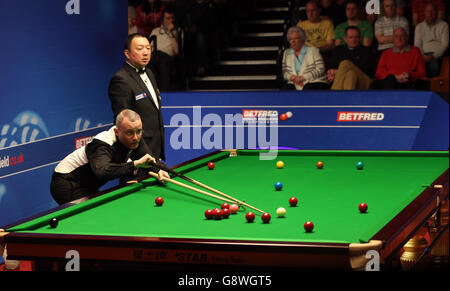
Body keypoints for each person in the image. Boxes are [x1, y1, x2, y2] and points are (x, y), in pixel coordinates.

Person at [50, 110, 169, 205]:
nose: (135, 137)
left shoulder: (134, 139)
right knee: (91, 218)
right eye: (129, 133)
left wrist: (159, 170)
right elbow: (102, 172)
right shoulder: (102, 145)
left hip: (89, 184)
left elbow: (150, 160)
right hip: (67, 182)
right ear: (117, 131)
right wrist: (135, 164)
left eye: (139, 131)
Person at [108, 33, 166, 162]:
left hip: (155, 146)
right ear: (127, 53)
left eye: (148, 48)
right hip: (137, 152)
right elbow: (125, 124)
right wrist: (141, 154)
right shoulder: (121, 79)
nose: (145, 52)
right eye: (140, 49)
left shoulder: (150, 73)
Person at [414, 2, 449, 77]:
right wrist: (422, 57)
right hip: (423, 55)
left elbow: (445, 45)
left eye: (432, 11)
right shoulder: (419, 27)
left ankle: (432, 87)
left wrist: (433, 56)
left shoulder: (444, 25)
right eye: (428, 11)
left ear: (436, 12)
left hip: (438, 54)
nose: (430, 13)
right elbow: (417, 46)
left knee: (434, 66)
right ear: (424, 13)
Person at [150, 8, 180, 90]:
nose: (170, 20)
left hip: (167, 58)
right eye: (167, 18)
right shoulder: (155, 31)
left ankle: (164, 93)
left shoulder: (178, 31)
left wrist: (171, 33)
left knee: (163, 62)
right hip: (154, 56)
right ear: (163, 19)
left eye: (172, 18)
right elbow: (149, 47)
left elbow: (176, 51)